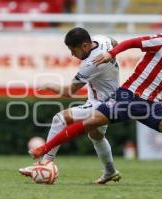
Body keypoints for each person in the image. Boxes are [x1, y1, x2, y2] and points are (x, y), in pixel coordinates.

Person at [30, 19, 162, 187]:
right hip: (128, 95)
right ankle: (45, 149)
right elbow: (131, 42)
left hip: (152, 105)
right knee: (92, 125)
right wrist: (112, 54)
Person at [19, 27, 122, 184]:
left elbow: (69, 92)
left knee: (60, 118)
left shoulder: (91, 64)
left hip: (103, 104)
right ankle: (110, 171)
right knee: (96, 136)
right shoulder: (102, 39)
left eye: (73, 50)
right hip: (111, 100)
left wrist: (49, 85)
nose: (72, 54)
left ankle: (44, 164)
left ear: (85, 46)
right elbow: (115, 43)